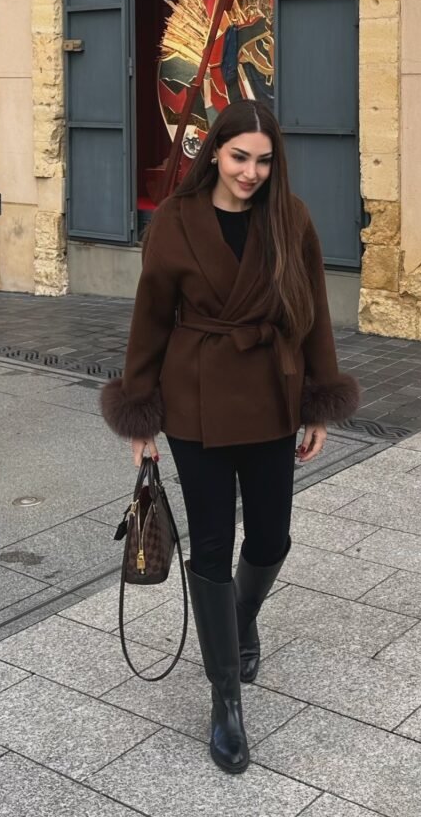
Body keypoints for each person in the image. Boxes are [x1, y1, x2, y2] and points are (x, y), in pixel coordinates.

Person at [101, 100, 359, 775]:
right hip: (196, 401)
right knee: (213, 543)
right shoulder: (175, 224)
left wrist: (318, 403)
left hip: (274, 395)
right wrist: (139, 416)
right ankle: (224, 701)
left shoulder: (289, 218)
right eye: (239, 156)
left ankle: (238, 621)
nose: (250, 172)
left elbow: (312, 317)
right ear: (213, 151)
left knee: (270, 535)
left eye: (263, 159)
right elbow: (150, 319)